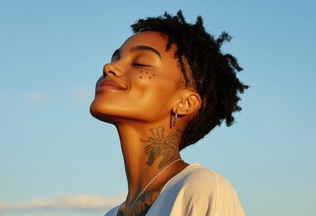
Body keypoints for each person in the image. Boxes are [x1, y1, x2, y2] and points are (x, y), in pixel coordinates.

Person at [90, 11, 248, 216]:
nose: (109, 67)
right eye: (115, 59)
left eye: (141, 63)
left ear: (185, 103)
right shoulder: (113, 214)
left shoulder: (199, 188)